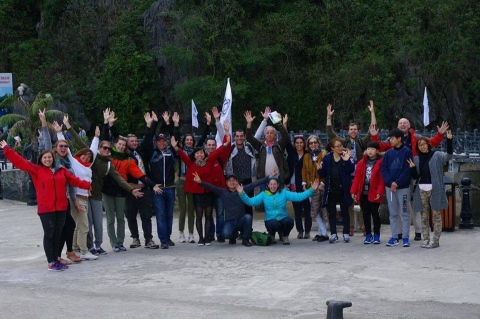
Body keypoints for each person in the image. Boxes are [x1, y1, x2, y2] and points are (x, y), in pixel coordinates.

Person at [0, 140, 90, 271]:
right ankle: (51, 262)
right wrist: (7, 149)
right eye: (45, 158)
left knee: (58, 234)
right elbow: (20, 162)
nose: (48, 159)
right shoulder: (36, 170)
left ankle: (56, 259)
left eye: (49, 157)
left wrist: (87, 185)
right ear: (41, 159)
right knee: (49, 234)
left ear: (53, 159)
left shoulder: (61, 171)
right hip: (46, 209)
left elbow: (74, 180)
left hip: (61, 208)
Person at [64, 110, 143, 256]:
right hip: (84, 193)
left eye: (108, 148)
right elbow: (80, 142)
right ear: (100, 149)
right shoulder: (92, 158)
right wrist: (69, 127)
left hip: (97, 194)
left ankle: (98, 245)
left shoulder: (109, 164)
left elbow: (119, 178)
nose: (107, 150)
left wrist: (131, 190)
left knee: (98, 223)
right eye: (104, 148)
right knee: (86, 223)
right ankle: (85, 247)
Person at [371, 117, 449, 241]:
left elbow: (430, 143)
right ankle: (400, 233)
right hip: (397, 176)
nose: (402, 125)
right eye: (400, 123)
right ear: (397, 126)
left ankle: (418, 231)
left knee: (416, 202)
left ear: (409, 125)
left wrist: (440, 134)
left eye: (405, 123)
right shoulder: (393, 138)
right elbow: (380, 146)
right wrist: (374, 136)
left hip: (413, 172)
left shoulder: (416, 137)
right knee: (398, 206)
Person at [53, 116, 100, 261]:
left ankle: (74, 250)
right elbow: (64, 149)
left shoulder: (88, 167)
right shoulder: (73, 163)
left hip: (85, 197)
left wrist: (97, 137)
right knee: (84, 225)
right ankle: (84, 251)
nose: (86, 158)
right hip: (77, 197)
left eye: (89, 157)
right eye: (84, 155)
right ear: (79, 155)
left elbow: (93, 150)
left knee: (76, 225)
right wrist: (60, 133)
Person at [172, 130, 231, 246]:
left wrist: (224, 144)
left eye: (201, 153)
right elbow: (183, 156)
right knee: (199, 216)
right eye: (197, 153)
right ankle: (201, 238)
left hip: (208, 192)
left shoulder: (209, 161)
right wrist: (177, 148)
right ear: (194, 155)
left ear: (204, 154)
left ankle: (208, 237)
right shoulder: (191, 163)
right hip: (198, 194)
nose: (200, 155)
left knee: (209, 216)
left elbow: (217, 152)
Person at [326, 101, 377, 236]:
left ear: (358, 131)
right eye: (351, 129)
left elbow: (372, 129)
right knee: (349, 202)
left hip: (361, 175)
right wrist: (329, 116)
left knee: (364, 202)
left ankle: (366, 227)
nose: (353, 131)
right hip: (348, 175)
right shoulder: (344, 143)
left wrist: (372, 112)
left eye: (355, 129)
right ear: (348, 131)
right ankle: (351, 227)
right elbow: (330, 133)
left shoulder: (362, 141)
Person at [194, 172, 271, 247]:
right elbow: (211, 187)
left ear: (237, 182)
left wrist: (268, 177)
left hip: (241, 220)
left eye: (234, 180)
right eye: (229, 181)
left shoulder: (242, 190)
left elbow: (255, 184)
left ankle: (245, 239)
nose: (232, 182)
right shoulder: (223, 192)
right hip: (230, 221)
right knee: (225, 234)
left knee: (248, 217)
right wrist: (200, 182)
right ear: (226, 183)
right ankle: (233, 236)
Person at [238, 176, 320, 245]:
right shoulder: (264, 194)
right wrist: (242, 193)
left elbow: (299, 196)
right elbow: (250, 201)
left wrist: (311, 190)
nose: (273, 186)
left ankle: (284, 236)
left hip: (283, 218)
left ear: (278, 185)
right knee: (274, 224)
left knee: (289, 221)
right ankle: (272, 235)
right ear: (268, 185)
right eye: (271, 184)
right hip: (270, 220)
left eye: (274, 184)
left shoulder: (284, 193)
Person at [409, 130, 453, 249]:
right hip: (421, 189)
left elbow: (449, 156)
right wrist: (412, 168)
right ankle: (426, 239)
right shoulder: (416, 159)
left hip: (435, 188)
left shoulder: (437, 155)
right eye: (420, 145)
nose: (422, 146)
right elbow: (415, 176)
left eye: (424, 144)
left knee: (436, 215)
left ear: (428, 144)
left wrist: (449, 141)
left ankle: (436, 240)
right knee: (424, 216)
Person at [125, 111, 160, 249]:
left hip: (145, 187)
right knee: (131, 215)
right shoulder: (124, 156)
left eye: (135, 141)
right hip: (131, 189)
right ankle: (135, 238)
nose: (134, 143)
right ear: (126, 143)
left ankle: (148, 239)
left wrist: (151, 125)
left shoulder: (141, 151)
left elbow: (148, 138)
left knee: (146, 215)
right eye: (131, 141)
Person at [317, 138, 355, 243]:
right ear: (332, 148)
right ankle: (333, 234)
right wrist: (319, 169)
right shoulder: (327, 158)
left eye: (341, 145)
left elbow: (351, 170)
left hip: (343, 189)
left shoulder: (346, 156)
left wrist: (347, 161)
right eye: (337, 146)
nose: (340, 148)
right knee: (331, 213)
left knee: (345, 212)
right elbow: (323, 173)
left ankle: (346, 233)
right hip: (331, 189)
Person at [381, 128, 413, 247]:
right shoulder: (388, 153)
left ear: (399, 139)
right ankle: (394, 236)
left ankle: (405, 237)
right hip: (390, 188)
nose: (390, 140)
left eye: (392, 138)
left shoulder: (407, 152)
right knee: (393, 213)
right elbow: (384, 169)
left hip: (403, 187)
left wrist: (397, 183)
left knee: (405, 213)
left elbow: (407, 169)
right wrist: (390, 182)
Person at [350, 141, 385, 244]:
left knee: (375, 214)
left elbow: (381, 179)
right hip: (363, 192)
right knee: (365, 214)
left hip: (374, 192)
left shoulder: (380, 162)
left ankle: (377, 234)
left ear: (377, 151)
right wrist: (354, 191)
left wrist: (379, 191)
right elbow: (357, 178)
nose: (370, 151)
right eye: (368, 149)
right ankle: (368, 234)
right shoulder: (362, 163)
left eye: (372, 149)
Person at [245, 108, 290, 185]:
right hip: (264, 180)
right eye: (267, 133)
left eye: (271, 133)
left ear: (275, 135)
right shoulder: (261, 146)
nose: (269, 134)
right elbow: (249, 138)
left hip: (278, 178)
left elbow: (286, 136)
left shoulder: (279, 145)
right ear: (264, 135)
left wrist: (278, 123)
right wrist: (249, 124)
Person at [302, 135, 328, 242]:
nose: (313, 145)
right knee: (314, 209)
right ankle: (322, 231)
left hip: (321, 185)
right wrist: (304, 183)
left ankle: (323, 232)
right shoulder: (306, 156)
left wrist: (322, 183)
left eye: (315, 142)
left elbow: (326, 170)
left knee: (320, 209)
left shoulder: (324, 154)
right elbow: (304, 170)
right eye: (311, 143)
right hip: (310, 186)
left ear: (318, 143)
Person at [286, 135, 312, 239]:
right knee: (297, 209)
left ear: (304, 144)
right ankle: (300, 230)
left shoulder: (308, 155)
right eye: (297, 143)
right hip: (294, 185)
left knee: (307, 209)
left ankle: (307, 231)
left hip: (305, 185)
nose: (299, 145)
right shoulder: (292, 155)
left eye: (301, 142)